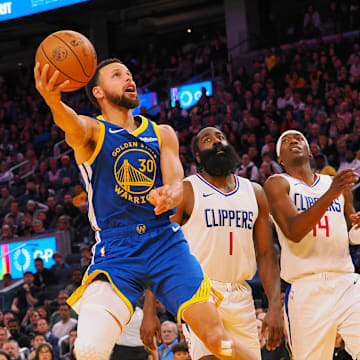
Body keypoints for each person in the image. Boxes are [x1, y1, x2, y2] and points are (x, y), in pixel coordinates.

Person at [34, 58, 258, 360]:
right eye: (117, 75)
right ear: (98, 92)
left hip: (166, 242)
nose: (129, 79)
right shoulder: (92, 132)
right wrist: (52, 100)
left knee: (218, 341)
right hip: (117, 249)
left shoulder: (162, 132)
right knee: (89, 349)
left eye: (129, 74)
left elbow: (176, 176)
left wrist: (173, 193)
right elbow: (70, 122)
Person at [168, 127, 283, 360]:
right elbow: (162, 248)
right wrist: (150, 309)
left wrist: (274, 307)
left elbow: (266, 254)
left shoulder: (255, 192)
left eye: (220, 137)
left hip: (241, 293)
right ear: (198, 156)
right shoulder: (187, 190)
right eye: (207, 139)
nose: (216, 142)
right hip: (201, 292)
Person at [263, 130, 360, 360]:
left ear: (310, 151)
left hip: (346, 281)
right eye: (285, 142)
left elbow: (351, 234)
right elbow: (294, 231)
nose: (293, 141)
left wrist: (358, 226)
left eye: (299, 139)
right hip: (307, 288)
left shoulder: (334, 185)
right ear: (280, 159)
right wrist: (330, 194)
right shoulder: (277, 183)